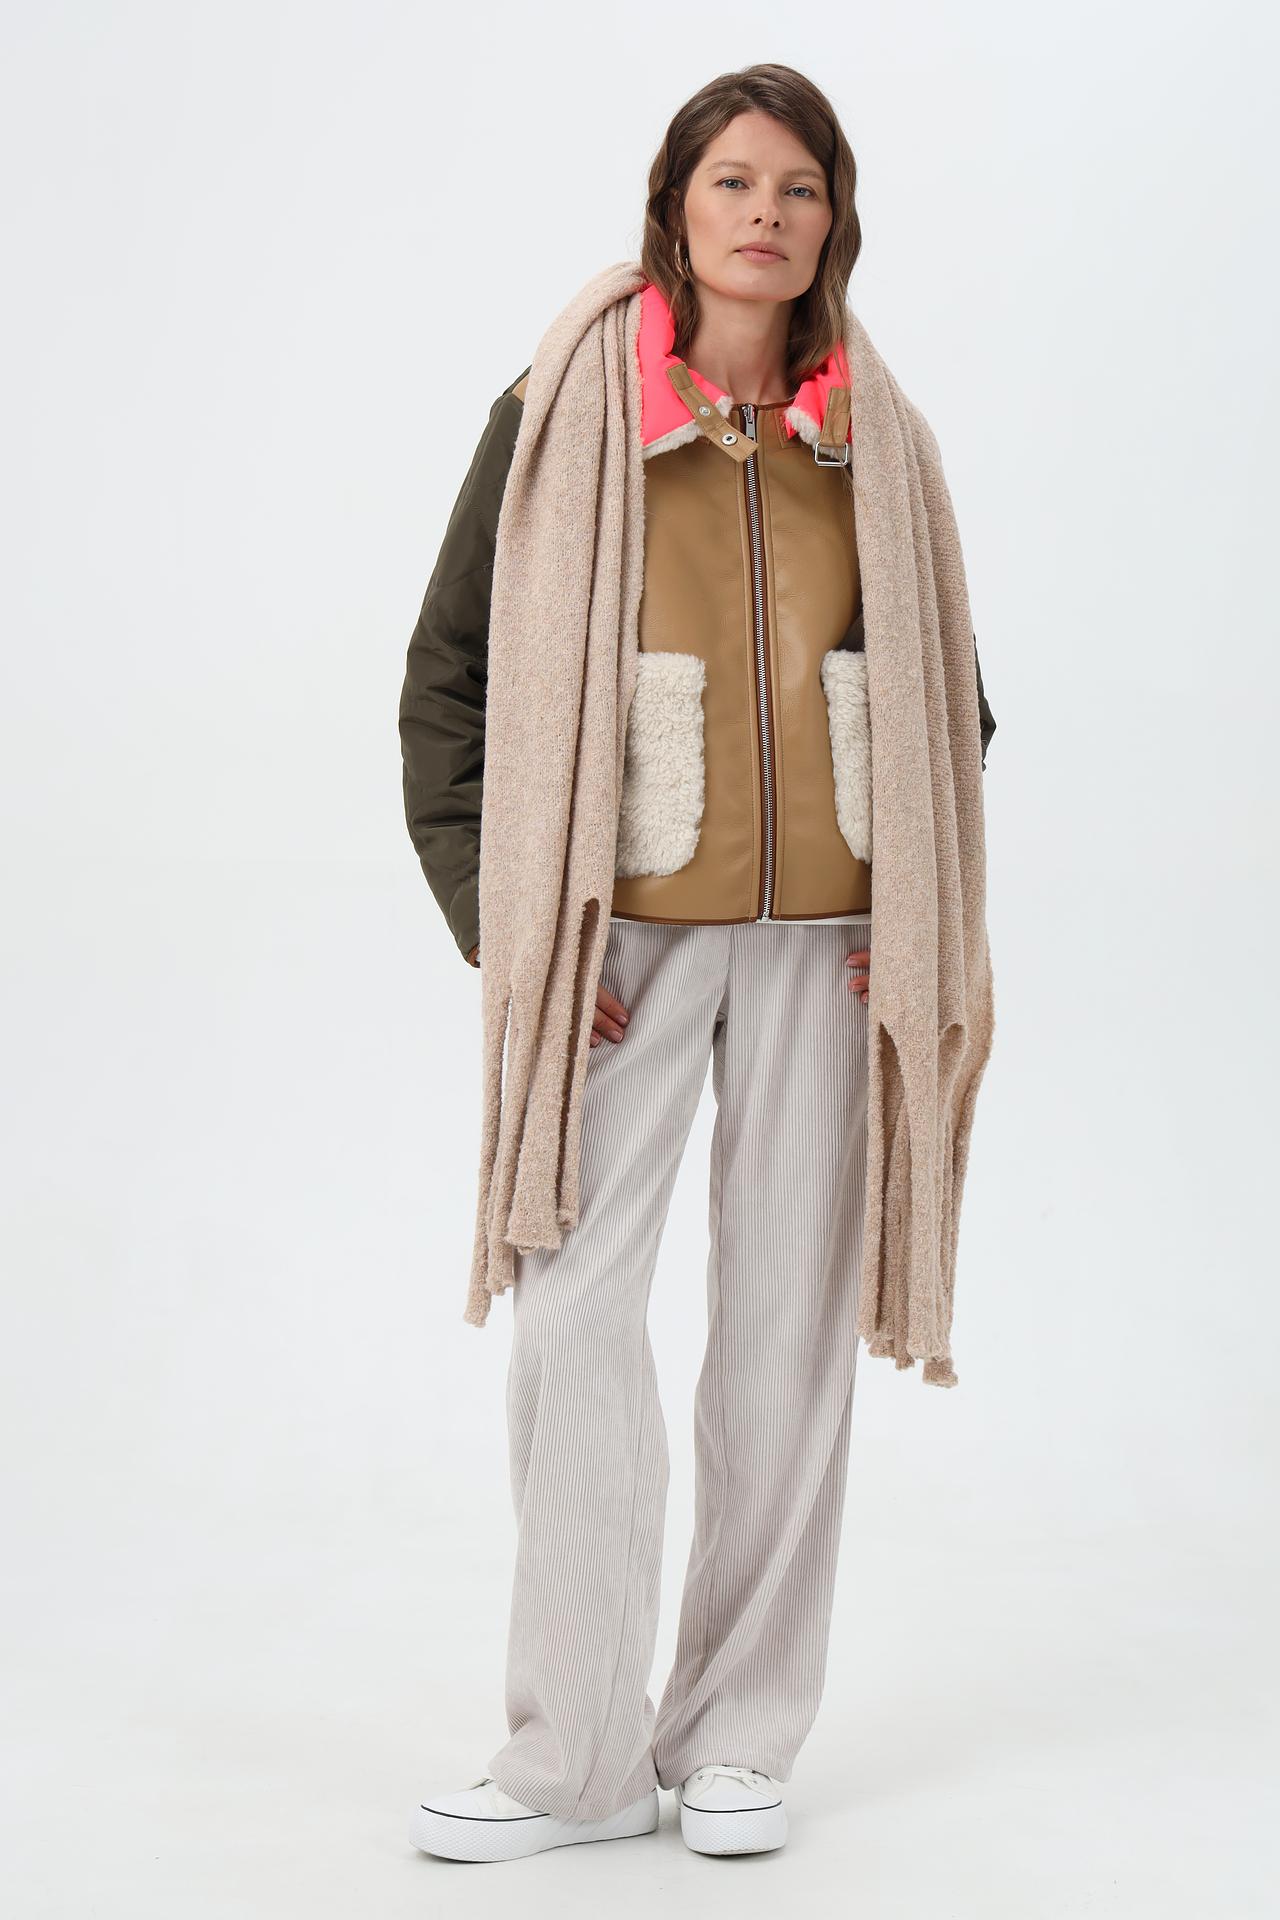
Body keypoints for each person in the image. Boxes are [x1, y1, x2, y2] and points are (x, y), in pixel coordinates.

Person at [398, 64, 996, 1865]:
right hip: (621, 947)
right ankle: (574, 1760)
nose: (766, 214)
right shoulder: (561, 410)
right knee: (577, 1324)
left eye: (799, 188)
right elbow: (446, 687)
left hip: (829, 952)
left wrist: (914, 916)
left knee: (785, 1346)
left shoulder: (878, 438)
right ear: (675, 204)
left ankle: (737, 1736)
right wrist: (506, 930)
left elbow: (951, 703)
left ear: (834, 223)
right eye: (733, 180)